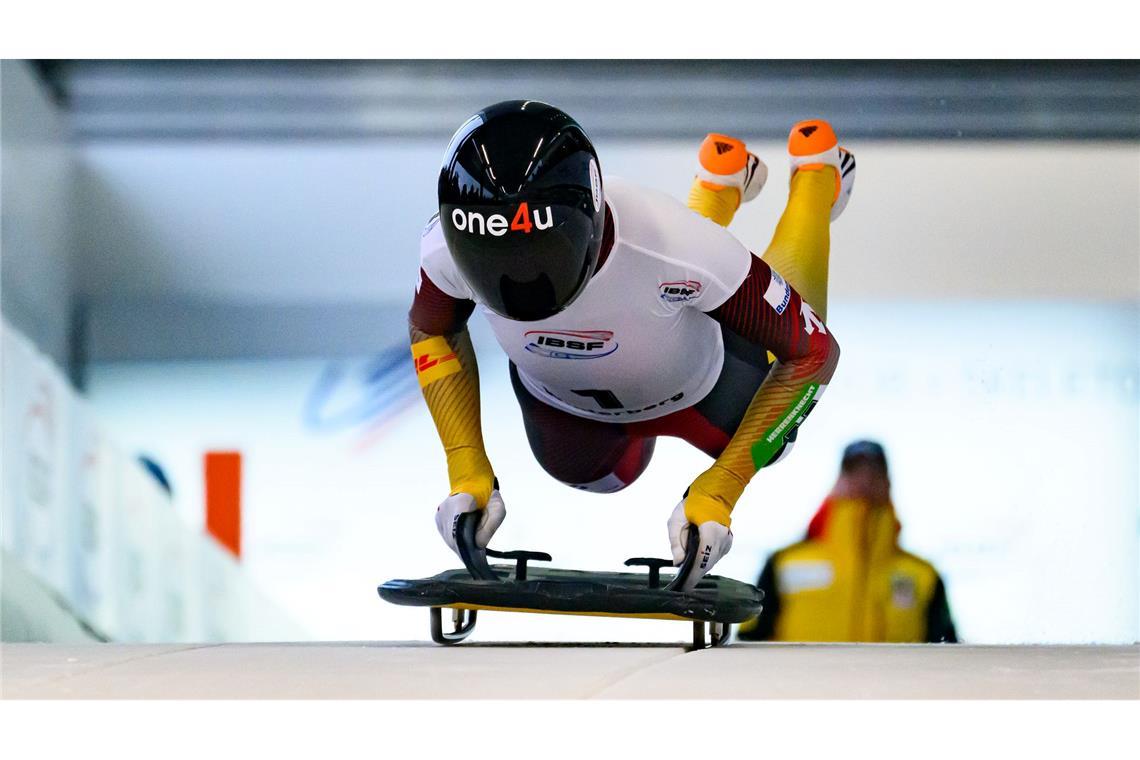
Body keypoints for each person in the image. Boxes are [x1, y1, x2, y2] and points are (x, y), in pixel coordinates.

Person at [409, 100, 853, 589]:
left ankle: (815, 180)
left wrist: (723, 489)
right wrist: (466, 464)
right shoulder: (440, 250)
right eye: (491, 264)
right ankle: (719, 189)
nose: (522, 286)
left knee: (775, 440)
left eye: (542, 256)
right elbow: (432, 328)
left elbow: (813, 351)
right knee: (596, 476)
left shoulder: (676, 246)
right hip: (571, 404)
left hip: (706, 385)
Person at [737, 440, 958, 642]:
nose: (864, 479)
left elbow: (948, 654)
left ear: (888, 483)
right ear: (837, 482)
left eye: (875, 471)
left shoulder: (924, 576)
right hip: (799, 686)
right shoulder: (783, 564)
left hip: (894, 686)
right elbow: (749, 639)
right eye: (853, 471)